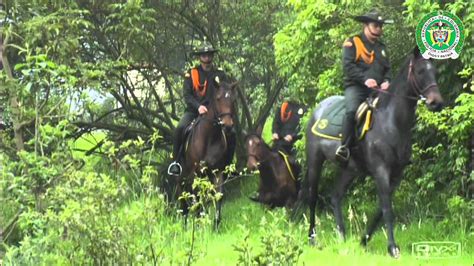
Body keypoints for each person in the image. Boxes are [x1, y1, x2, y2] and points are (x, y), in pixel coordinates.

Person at [335, 9, 393, 162]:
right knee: (351, 111)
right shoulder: (352, 42)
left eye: (381, 26)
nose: (379, 29)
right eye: (375, 26)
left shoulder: (382, 48)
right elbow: (348, 66)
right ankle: (344, 147)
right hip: (357, 88)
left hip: (379, 90)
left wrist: (387, 81)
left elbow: (388, 69)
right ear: (365, 25)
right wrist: (365, 79)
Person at [168, 42, 230, 176]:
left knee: (232, 133)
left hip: (215, 113)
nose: (207, 58)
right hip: (194, 111)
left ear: (212, 56)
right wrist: (198, 107)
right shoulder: (192, 74)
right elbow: (187, 95)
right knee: (179, 129)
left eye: (209, 55)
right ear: (199, 58)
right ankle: (176, 163)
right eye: (204, 55)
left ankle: (228, 166)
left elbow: (226, 94)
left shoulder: (220, 74)